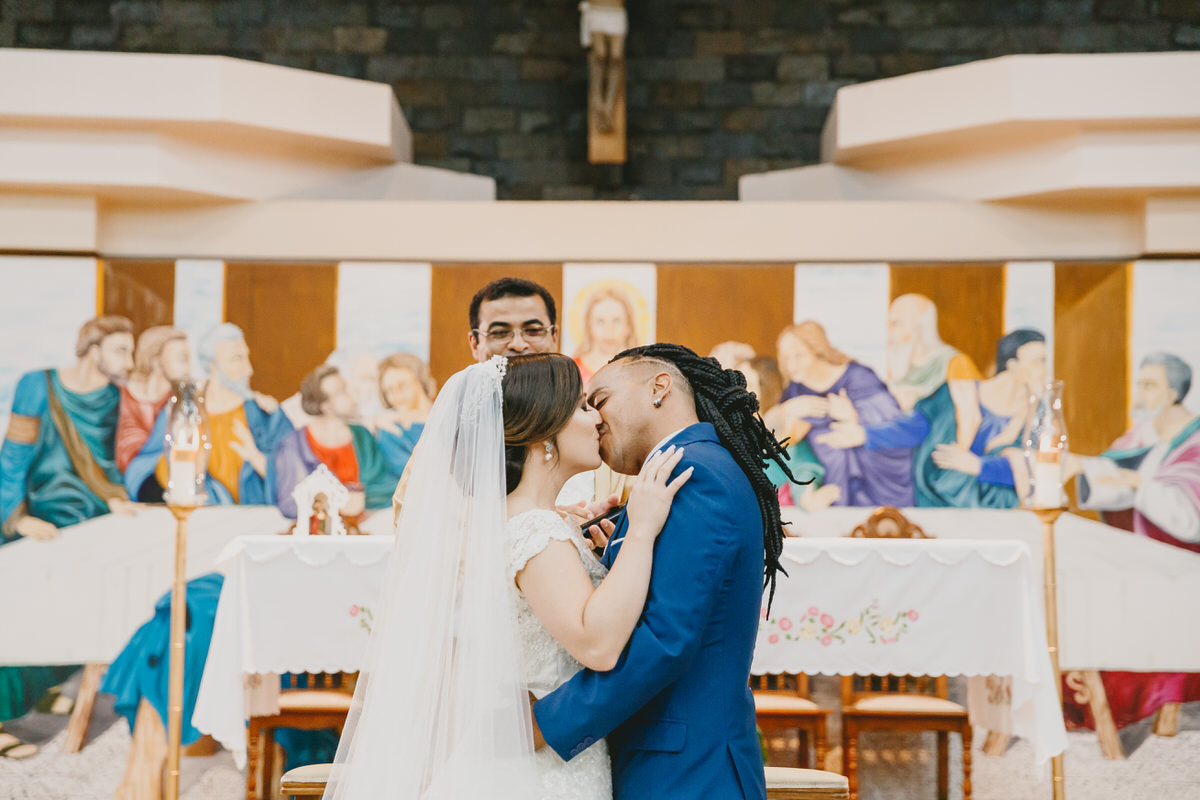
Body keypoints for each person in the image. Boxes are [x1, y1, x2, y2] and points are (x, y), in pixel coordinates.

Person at [322, 353, 694, 799]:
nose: (596, 417)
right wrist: (644, 530)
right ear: (544, 437)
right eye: (581, 406)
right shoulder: (534, 530)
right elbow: (598, 644)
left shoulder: (521, 521)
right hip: (539, 775)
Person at [532, 344, 796, 799]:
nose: (595, 419)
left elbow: (666, 639)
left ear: (659, 388)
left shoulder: (696, 473)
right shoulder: (684, 468)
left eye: (601, 400)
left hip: (689, 770)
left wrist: (543, 723)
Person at [0, 315, 136, 751]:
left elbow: (115, 463)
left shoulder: (117, 398)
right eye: (120, 350)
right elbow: (14, 458)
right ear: (92, 349)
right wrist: (17, 519)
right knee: (18, 615)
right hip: (39, 519)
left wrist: (115, 498)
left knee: (81, 615)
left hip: (91, 526)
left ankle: (46, 691)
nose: (128, 360)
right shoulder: (37, 386)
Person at [1060, 352, 1200, 734]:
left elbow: (1188, 517)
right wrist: (1087, 468)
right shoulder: (1142, 434)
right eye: (1140, 383)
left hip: (1180, 565)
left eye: (1150, 385)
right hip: (1140, 556)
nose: (1140, 392)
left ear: (1174, 392)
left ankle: (1157, 711)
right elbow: (1114, 487)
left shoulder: (1195, 439)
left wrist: (1137, 483)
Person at [822, 329, 1047, 508]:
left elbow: (1036, 467)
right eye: (1039, 361)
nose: (1045, 369)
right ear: (1012, 365)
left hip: (997, 510)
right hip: (939, 499)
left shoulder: (1035, 412)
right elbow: (916, 428)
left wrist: (978, 466)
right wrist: (865, 434)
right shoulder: (958, 393)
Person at [124, 323, 292, 503]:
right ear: (213, 365)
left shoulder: (266, 414)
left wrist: (256, 457)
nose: (248, 369)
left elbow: (295, 478)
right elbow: (141, 473)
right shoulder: (181, 412)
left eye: (246, 357)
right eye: (237, 359)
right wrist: (182, 463)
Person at [776, 321, 914, 507]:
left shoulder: (858, 377)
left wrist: (855, 417)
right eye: (786, 358)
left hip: (875, 480)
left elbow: (895, 423)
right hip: (828, 482)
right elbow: (787, 440)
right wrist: (788, 411)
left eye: (799, 355)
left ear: (818, 351)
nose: (791, 365)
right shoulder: (794, 391)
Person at [273, 365, 397, 519]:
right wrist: (336, 502)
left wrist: (363, 498)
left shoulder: (362, 435)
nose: (354, 395)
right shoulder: (294, 445)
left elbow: (388, 486)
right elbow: (288, 503)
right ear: (325, 406)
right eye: (342, 392)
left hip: (362, 532)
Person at [887, 294, 984, 448]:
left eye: (897, 323)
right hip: (906, 447)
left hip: (941, 450)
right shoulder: (900, 365)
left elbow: (970, 417)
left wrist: (959, 457)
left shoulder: (955, 362)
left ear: (918, 324)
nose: (891, 331)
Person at [737, 355, 832, 510]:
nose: (740, 391)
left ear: (764, 391)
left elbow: (802, 467)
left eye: (750, 385)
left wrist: (807, 497)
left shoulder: (782, 433)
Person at [116, 326, 191, 493]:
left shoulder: (181, 403)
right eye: (182, 358)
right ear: (156, 361)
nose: (189, 367)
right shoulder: (118, 396)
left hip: (156, 483)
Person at [373, 352, 435, 477]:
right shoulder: (389, 429)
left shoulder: (447, 415)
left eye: (402, 386)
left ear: (420, 381)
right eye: (389, 390)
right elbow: (410, 475)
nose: (396, 396)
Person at [573, 287, 639, 384]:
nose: (609, 330)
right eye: (600, 322)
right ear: (589, 327)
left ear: (628, 326)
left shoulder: (641, 370)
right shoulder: (573, 370)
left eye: (616, 321)